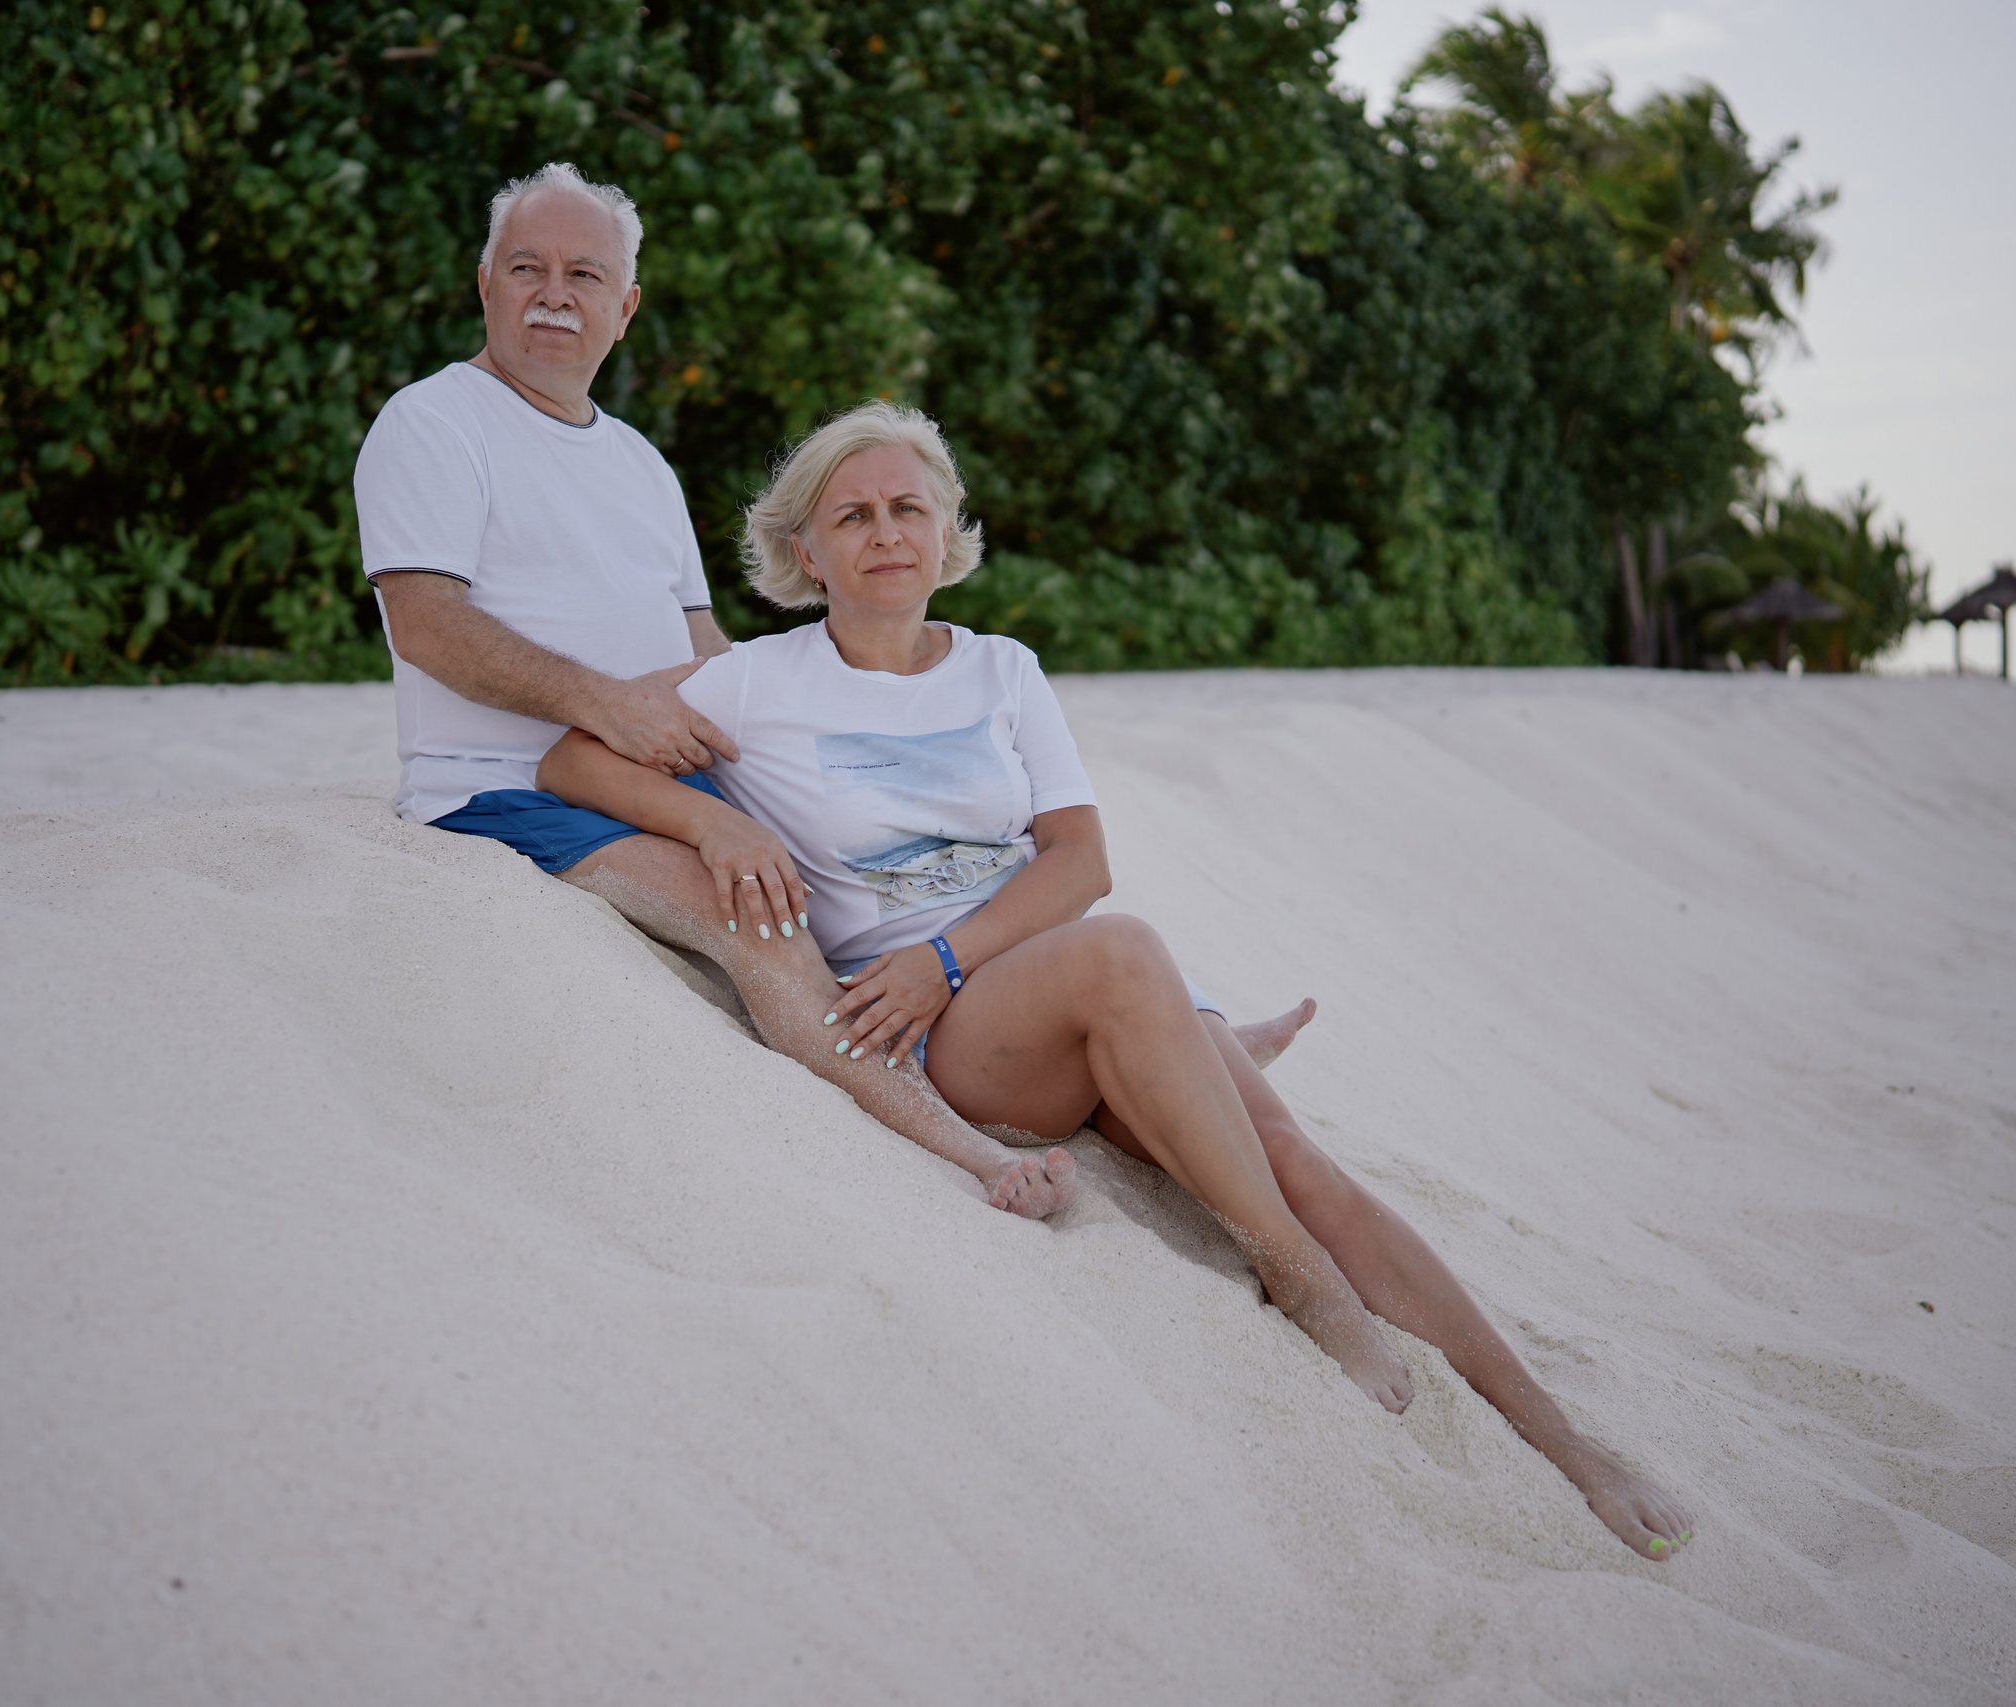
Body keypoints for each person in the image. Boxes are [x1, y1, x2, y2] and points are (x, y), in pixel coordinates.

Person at [535, 400, 1700, 1562]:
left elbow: (1079, 858)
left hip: (1019, 981)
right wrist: (717, 828)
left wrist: (948, 955)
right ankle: (1295, 1276)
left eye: (909, 508)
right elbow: (571, 755)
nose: (885, 532)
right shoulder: (753, 684)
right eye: (853, 515)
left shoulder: (1002, 672)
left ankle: (1573, 1451)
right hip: (965, 1041)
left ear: (946, 535)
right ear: (805, 553)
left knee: (1294, 1156)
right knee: (1129, 952)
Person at [356, 162, 1307, 1218]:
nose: (553, 294)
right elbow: (424, 623)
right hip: (506, 787)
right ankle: (966, 1149)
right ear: (484, 282)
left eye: (585, 274)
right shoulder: (432, 423)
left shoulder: (637, 465)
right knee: (757, 912)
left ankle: (1198, 1028)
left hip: (652, 753)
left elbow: (705, 645)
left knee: (938, 851)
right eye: (526, 268)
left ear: (623, 308)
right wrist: (607, 709)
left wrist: (834, 717)